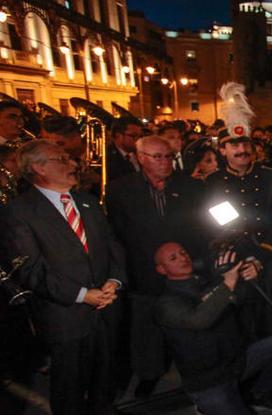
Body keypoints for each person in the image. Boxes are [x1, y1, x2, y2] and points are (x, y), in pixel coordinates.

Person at [1, 140, 125, 415]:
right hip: (65, 317)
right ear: (38, 168)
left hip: (106, 310)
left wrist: (114, 282)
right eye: (62, 159)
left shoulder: (88, 202)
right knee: (69, 389)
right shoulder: (19, 212)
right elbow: (30, 270)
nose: (73, 164)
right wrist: (83, 295)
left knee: (105, 383)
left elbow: (113, 246)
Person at [105, 135, 209, 397]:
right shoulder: (120, 190)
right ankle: (149, 377)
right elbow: (117, 235)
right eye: (157, 157)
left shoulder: (192, 186)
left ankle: (198, 377)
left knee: (190, 328)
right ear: (141, 158)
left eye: (168, 157)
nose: (165, 162)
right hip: (144, 273)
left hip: (187, 271)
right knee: (147, 331)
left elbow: (204, 228)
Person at [154, 243, 272, 414]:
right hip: (209, 382)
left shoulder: (204, 280)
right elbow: (199, 320)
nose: (183, 258)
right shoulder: (166, 303)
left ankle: (259, 395)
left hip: (236, 362)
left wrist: (251, 274)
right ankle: (206, 407)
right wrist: (227, 284)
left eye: (183, 252)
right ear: (161, 269)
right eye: (173, 258)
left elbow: (240, 298)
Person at [205, 124, 272, 342]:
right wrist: (242, 260)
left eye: (245, 143)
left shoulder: (269, 176)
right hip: (232, 259)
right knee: (237, 318)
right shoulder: (213, 181)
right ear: (222, 150)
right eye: (234, 145)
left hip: (266, 256)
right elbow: (217, 225)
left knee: (265, 317)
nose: (242, 149)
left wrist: (259, 260)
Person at [107, 116, 143, 182]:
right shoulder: (108, 157)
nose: (138, 140)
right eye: (133, 136)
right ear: (118, 135)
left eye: (140, 136)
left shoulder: (141, 153)